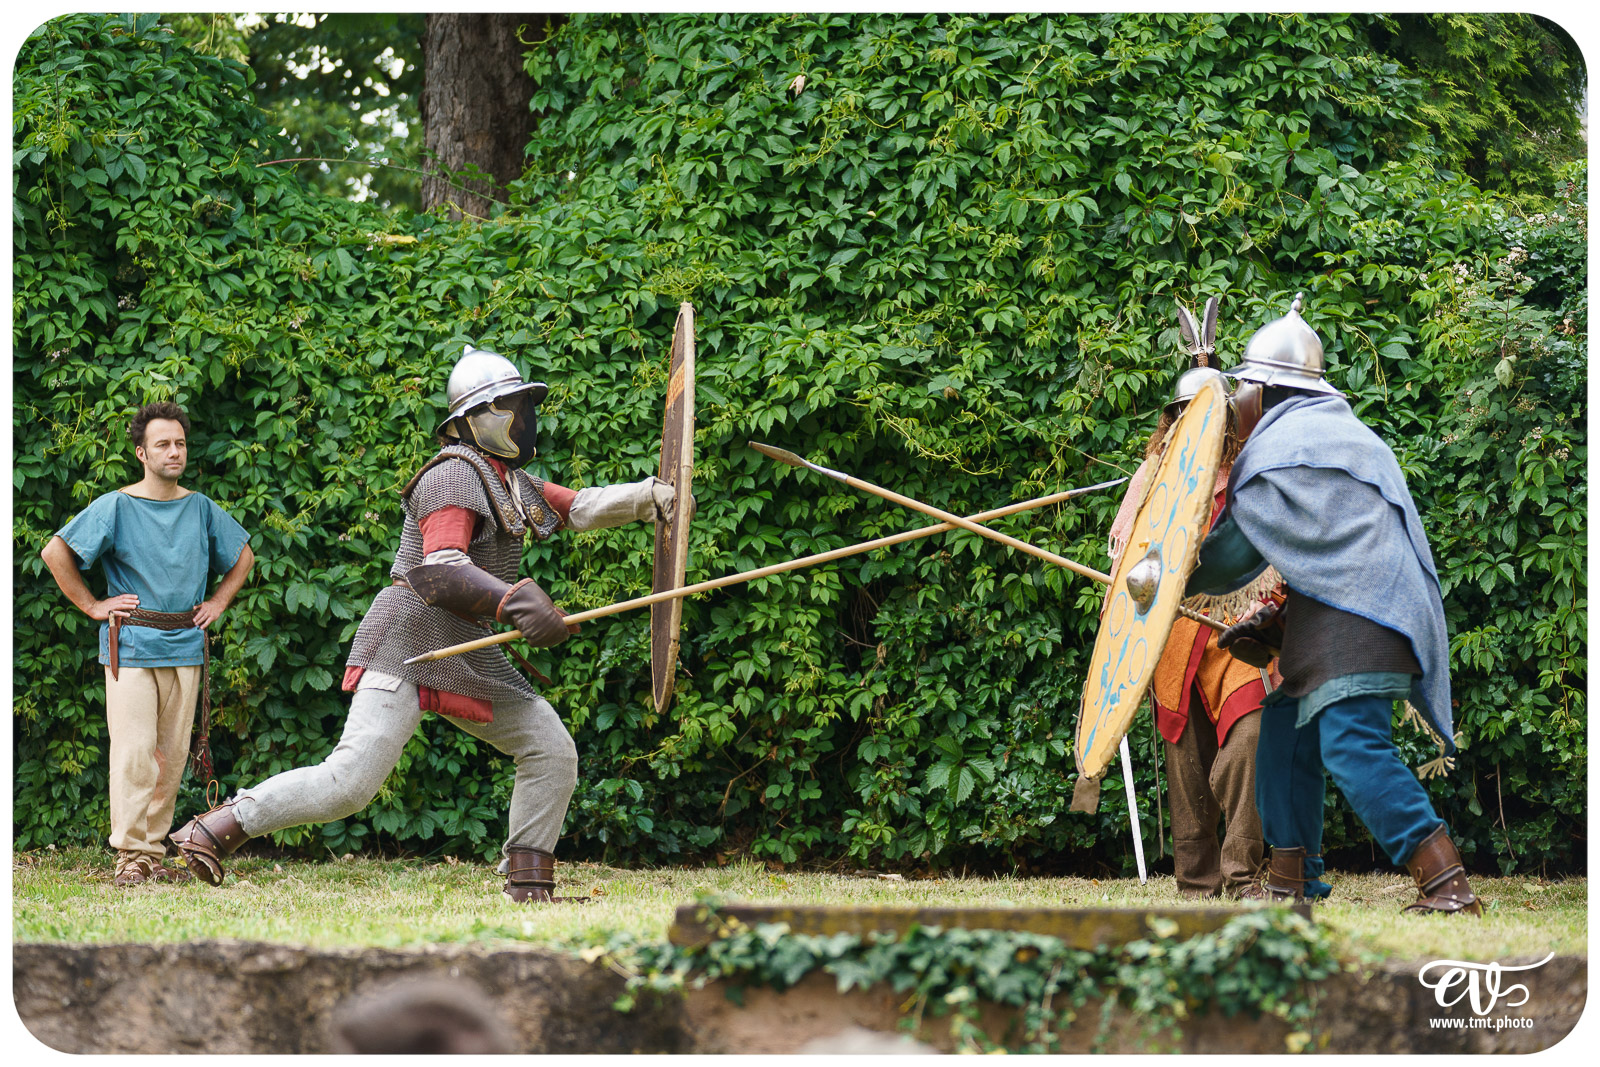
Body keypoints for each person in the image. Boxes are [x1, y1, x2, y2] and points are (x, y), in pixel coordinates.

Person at [172, 346, 681, 903]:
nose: (522, 417)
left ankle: (529, 886)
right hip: (409, 641)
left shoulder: (511, 481)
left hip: (468, 649)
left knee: (550, 750)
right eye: (507, 406)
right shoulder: (453, 476)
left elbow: (580, 506)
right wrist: (513, 601)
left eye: (522, 404)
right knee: (350, 783)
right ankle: (217, 827)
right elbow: (440, 570)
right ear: (469, 420)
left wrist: (649, 497)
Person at [1187, 295, 1480, 915]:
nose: (1240, 402)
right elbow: (1332, 542)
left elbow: (1232, 556)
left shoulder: (1280, 445)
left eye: (1246, 389)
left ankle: (1446, 883)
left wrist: (1167, 575)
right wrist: (1283, 621)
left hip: (1363, 615)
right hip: (1350, 611)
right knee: (1283, 738)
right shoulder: (1340, 432)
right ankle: (1292, 884)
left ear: (1265, 393)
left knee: (1352, 747)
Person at [40, 401, 255, 887]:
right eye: (163, 444)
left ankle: (152, 853)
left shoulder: (199, 507)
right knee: (135, 753)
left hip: (185, 647)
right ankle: (129, 854)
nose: (174, 451)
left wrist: (218, 602)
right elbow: (55, 553)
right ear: (142, 452)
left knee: (171, 758)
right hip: (132, 644)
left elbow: (243, 556)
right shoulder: (116, 505)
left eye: (179, 443)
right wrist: (95, 605)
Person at [1108, 366, 1271, 899]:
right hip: (1176, 637)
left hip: (1239, 635)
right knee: (1184, 761)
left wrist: (1268, 602)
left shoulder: (1256, 469)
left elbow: (1280, 548)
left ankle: (1244, 876)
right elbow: (1132, 565)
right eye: (1182, 415)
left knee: (1248, 741)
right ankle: (1197, 884)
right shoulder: (1153, 478)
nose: (1191, 425)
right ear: (1172, 419)